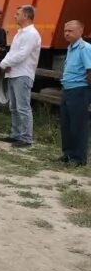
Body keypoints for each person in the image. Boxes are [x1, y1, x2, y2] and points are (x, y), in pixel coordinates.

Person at [0, 5, 41, 148]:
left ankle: (26, 138)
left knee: (23, 107)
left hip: (23, 73)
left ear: (26, 16)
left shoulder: (31, 34)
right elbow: (13, 52)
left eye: (18, 14)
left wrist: (4, 63)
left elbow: (22, 54)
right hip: (14, 72)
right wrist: (7, 62)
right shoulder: (19, 33)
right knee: (14, 106)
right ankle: (16, 134)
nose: (15, 16)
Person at [58, 20, 91, 165]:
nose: (67, 33)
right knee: (66, 123)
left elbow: (90, 71)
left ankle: (78, 158)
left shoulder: (85, 48)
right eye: (65, 30)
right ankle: (67, 153)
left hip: (79, 90)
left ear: (80, 31)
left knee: (78, 125)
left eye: (70, 31)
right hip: (67, 89)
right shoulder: (71, 47)